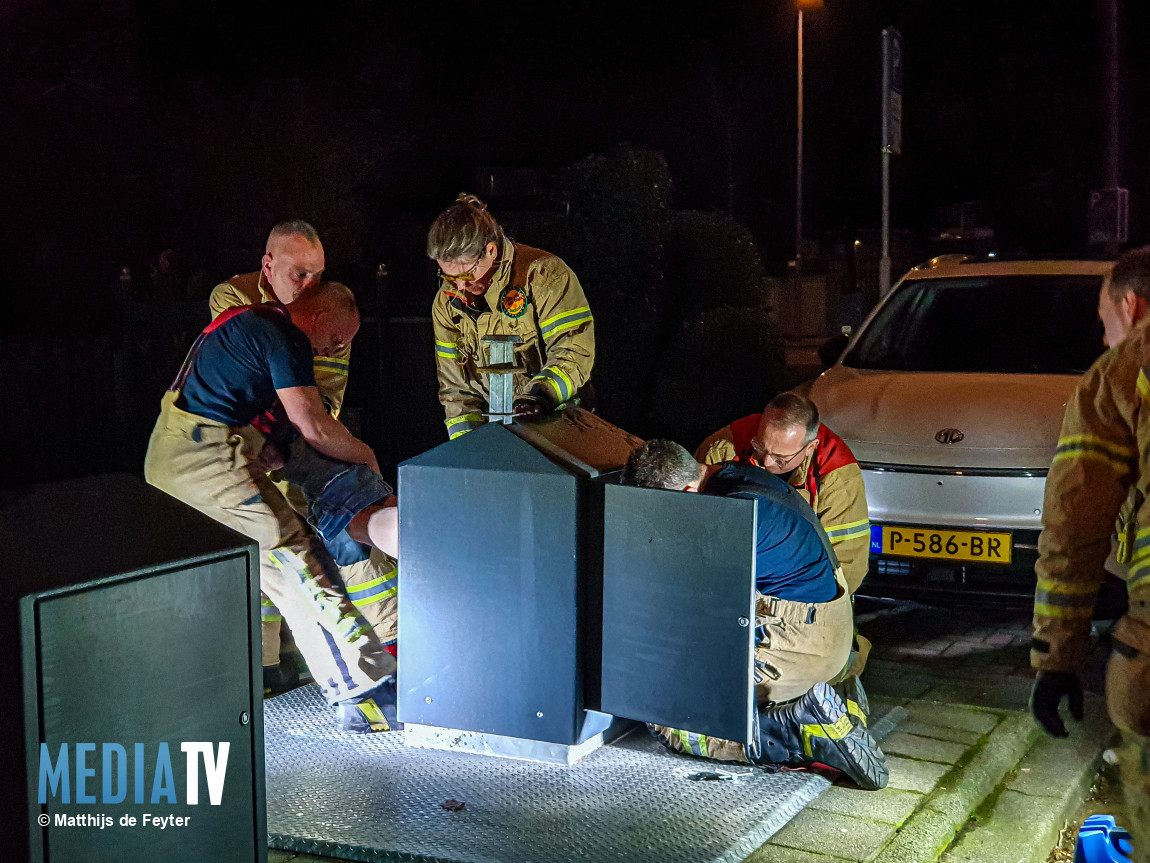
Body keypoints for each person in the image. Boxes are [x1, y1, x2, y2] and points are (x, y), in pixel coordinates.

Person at [145, 281, 397, 733]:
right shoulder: (284, 336)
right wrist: (366, 459)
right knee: (304, 566)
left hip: (175, 453)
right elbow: (314, 427)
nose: (336, 349)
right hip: (206, 457)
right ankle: (365, 691)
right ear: (317, 317)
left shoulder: (245, 325)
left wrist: (274, 446)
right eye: (338, 338)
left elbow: (277, 438)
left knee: (268, 576)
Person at [621, 440, 887, 790]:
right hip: (829, 630)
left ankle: (796, 732)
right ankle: (836, 702)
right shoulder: (736, 476)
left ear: (686, 488)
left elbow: (697, 614)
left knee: (667, 719)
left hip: (800, 645)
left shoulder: (728, 518)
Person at [1030, 246, 1150, 859]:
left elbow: (1075, 528)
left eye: (1105, 321)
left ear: (1132, 307)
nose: (1106, 337)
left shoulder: (1124, 372)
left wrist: (1057, 657)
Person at [428, 194, 595, 439]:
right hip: (495, 438)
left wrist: (540, 396)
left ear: (491, 251)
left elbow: (573, 352)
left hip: (558, 426)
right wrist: (466, 453)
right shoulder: (446, 303)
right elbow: (456, 392)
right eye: (448, 277)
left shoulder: (544, 276)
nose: (459, 288)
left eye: (466, 276)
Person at [696, 392, 871, 595]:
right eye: (760, 447)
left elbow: (846, 570)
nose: (767, 462)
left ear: (810, 447)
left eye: (781, 458)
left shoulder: (838, 476)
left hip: (802, 595)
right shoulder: (722, 449)